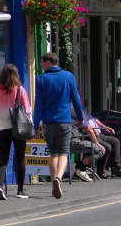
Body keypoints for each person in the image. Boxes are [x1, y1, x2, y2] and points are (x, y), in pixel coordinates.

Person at [32, 51, 87, 199]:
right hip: (64, 121)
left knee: (53, 153)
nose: (41, 66)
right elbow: (76, 99)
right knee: (63, 153)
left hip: (48, 122)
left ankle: (53, 184)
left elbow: (38, 104)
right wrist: (81, 118)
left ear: (48, 63)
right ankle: (59, 178)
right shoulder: (68, 76)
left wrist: (36, 126)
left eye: (42, 63)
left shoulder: (40, 79)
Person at [0, 64, 32, 200]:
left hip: (2, 127)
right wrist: (30, 124)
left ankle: (0, 186)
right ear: (16, 75)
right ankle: (20, 190)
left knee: (3, 159)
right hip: (19, 127)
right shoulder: (20, 90)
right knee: (20, 159)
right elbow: (27, 110)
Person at [76, 115, 121, 179]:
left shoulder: (85, 112)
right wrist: (93, 130)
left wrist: (104, 127)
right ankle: (101, 171)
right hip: (90, 136)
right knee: (107, 147)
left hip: (99, 135)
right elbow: (85, 126)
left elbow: (95, 120)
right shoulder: (78, 113)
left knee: (115, 142)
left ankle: (117, 168)